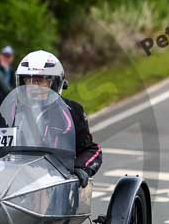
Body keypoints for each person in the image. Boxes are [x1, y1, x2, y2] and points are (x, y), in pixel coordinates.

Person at [10, 50, 102, 187]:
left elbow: (91, 150)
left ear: (54, 83)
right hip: (16, 181)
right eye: (29, 80)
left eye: (40, 81)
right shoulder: (12, 110)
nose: (34, 86)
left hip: (56, 182)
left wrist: (81, 168)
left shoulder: (73, 111)